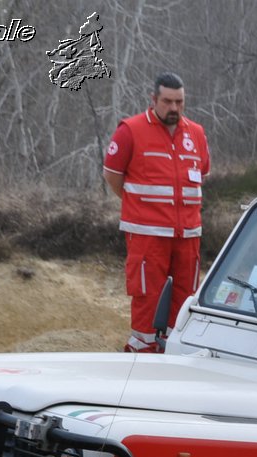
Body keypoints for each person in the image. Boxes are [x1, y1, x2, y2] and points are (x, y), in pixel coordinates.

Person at [103, 73, 211, 353]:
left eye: (179, 102)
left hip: (188, 235)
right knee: (147, 300)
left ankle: (175, 357)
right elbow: (113, 176)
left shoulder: (196, 133)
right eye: (167, 101)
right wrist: (140, 207)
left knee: (186, 301)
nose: (174, 108)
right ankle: (141, 357)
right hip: (147, 236)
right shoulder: (131, 130)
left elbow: (201, 175)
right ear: (153, 100)